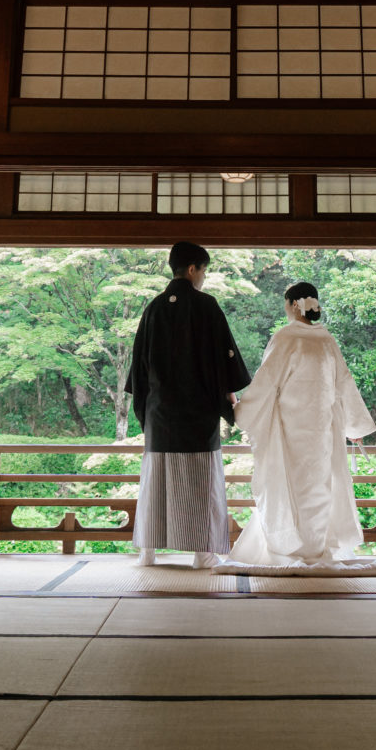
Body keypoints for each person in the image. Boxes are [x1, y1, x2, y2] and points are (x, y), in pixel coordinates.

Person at [229, 282, 376, 567]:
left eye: (285, 303)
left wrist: (240, 411)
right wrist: (354, 428)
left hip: (290, 428)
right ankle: (316, 548)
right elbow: (344, 383)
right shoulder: (326, 340)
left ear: (294, 304)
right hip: (322, 429)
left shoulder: (285, 338)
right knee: (318, 487)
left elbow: (266, 382)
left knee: (291, 486)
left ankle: (291, 548)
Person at [127, 241, 251, 568]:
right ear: (193, 269)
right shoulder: (206, 306)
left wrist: (146, 410)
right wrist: (231, 399)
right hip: (198, 415)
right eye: (204, 271)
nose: (204, 278)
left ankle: (148, 553)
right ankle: (203, 554)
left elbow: (139, 368)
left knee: (156, 482)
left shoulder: (153, 307)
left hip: (160, 415)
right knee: (200, 482)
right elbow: (224, 362)